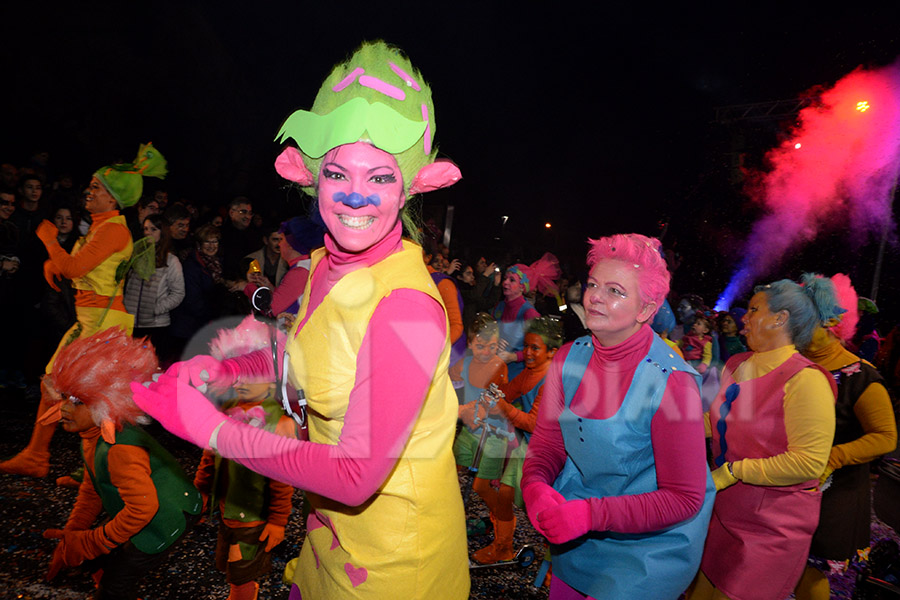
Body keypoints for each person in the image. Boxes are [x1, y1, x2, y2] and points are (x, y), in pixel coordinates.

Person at [132, 41, 469, 598]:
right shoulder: (323, 266)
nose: (356, 196)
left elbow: (357, 476)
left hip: (392, 568)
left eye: (381, 177)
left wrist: (211, 429)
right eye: (338, 174)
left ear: (412, 185)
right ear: (311, 179)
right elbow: (305, 352)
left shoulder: (408, 309)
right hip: (329, 536)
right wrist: (226, 374)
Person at [523, 233, 715, 599]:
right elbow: (547, 443)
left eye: (615, 291)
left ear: (645, 310)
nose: (595, 296)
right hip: (576, 539)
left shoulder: (671, 382)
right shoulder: (567, 357)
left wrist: (590, 515)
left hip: (647, 554)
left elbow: (684, 497)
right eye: (593, 284)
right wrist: (534, 485)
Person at [0, 143, 167, 478]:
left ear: (112, 197)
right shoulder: (103, 227)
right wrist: (54, 264)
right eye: (91, 186)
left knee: (78, 392)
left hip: (101, 324)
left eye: (96, 188)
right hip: (91, 320)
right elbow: (83, 271)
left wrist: (50, 241)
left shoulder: (114, 229)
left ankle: (82, 466)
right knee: (76, 392)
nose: (88, 192)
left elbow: (76, 268)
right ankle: (58, 460)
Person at [689, 273, 839, 600]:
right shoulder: (738, 363)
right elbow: (714, 421)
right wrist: (662, 425)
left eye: (754, 310)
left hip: (770, 530)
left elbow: (809, 463)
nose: (744, 317)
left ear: (780, 319)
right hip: (723, 514)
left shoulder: (806, 380)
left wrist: (733, 472)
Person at [40, 328, 201, 600]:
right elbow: (93, 487)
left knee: (118, 582)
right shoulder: (92, 436)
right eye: (65, 396)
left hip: (168, 513)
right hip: (145, 506)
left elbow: (143, 510)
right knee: (104, 555)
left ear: (107, 403)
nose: (65, 408)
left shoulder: (120, 449)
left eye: (78, 401)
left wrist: (94, 542)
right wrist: (73, 535)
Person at [793, 274, 897, 600]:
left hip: (834, 495)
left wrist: (833, 457)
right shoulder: (791, 366)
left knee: (810, 575)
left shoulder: (861, 375)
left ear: (833, 321)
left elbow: (885, 437)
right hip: (788, 487)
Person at [194, 317, 298, 600]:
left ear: (273, 381)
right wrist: (201, 490)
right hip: (227, 509)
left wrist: (278, 520)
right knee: (228, 563)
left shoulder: (275, 423)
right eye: (237, 372)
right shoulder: (227, 409)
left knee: (241, 568)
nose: (240, 381)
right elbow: (209, 451)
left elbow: (282, 480)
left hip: (253, 517)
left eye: (252, 373)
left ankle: (243, 592)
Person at [471, 316, 562, 565]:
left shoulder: (551, 381)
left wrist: (502, 407)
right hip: (524, 443)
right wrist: (486, 400)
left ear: (552, 352)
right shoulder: (528, 373)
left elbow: (533, 423)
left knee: (528, 505)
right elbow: (507, 394)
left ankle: (512, 547)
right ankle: (502, 536)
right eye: (526, 347)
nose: (528, 353)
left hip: (544, 450)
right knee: (492, 490)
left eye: (535, 348)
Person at [123, 213, 185, 367]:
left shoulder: (171, 261)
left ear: (162, 233)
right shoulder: (136, 256)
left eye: (153, 229)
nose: (147, 233)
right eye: (145, 229)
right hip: (131, 323)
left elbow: (178, 293)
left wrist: (156, 308)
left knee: (151, 368)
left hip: (156, 325)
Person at [243, 215, 326, 319]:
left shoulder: (300, 272)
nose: (279, 244)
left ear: (290, 246)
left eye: (281, 240)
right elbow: (292, 301)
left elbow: (270, 309)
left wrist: (247, 286)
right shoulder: (305, 266)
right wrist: (270, 287)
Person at [494, 253, 560, 379]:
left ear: (522, 287)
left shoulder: (529, 313)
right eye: (505, 278)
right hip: (496, 368)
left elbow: (543, 349)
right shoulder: (500, 306)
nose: (505, 283)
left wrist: (513, 356)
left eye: (512, 280)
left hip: (518, 374)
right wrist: (495, 340)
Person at [243, 224, 289, 289]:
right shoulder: (251, 259)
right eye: (275, 239)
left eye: (281, 240)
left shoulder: (288, 261)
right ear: (266, 240)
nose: (279, 244)